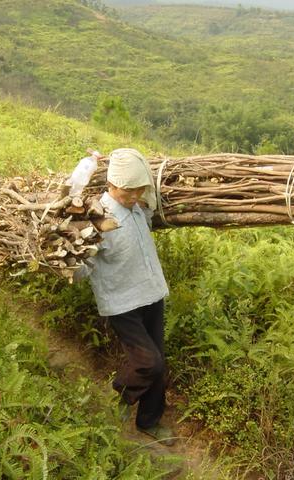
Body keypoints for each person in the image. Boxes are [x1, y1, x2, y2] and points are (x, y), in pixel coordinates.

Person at [74, 148, 175, 446]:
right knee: (149, 362)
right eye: (128, 191)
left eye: (138, 190)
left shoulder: (138, 210)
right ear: (111, 185)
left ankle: (148, 422)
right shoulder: (98, 218)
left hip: (152, 293)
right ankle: (121, 396)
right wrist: (75, 256)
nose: (133, 196)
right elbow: (81, 270)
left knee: (160, 363)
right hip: (122, 303)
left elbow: (150, 204)